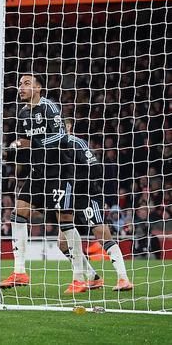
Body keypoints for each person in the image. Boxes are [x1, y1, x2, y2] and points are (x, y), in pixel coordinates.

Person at [1, 73, 88, 294]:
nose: (21, 87)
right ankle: (19, 271)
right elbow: (24, 142)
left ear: (38, 88)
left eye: (26, 84)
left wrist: (33, 143)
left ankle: (80, 278)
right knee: (18, 213)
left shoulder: (49, 107)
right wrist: (13, 150)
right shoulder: (22, 113)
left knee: (65, 220)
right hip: (38, 172)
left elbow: (61, 137)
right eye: (20, 84)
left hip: (59, 170)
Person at [58, 121, 133, 291]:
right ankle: (93, 277)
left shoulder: (77, 143)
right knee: (62, 244)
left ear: (69, 127)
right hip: (69, 197)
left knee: (101, 233)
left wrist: (81, 184)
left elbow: (95, 167)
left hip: (88, 194)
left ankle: (123, 279)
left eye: (63, 125)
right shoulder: (51, 147)